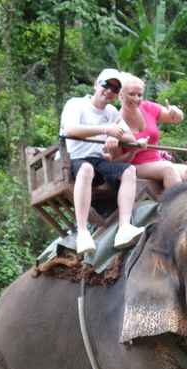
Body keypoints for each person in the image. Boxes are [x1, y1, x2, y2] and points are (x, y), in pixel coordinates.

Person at [59, 68, 145, 256]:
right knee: (87, 168)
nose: (109, 91)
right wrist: (106, 130)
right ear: (96, 84)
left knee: (129, 170)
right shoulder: (76, 104)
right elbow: (69, 130)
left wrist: (120, 138)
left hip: (99, 161)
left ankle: (124, 228)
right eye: (107, 85)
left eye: (115, 89)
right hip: (75, 159)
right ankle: (82, 232)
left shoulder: (111, 112)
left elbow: (128, 135)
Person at [116, 74, 187, 189]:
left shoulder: (147, 107)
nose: (136, 99)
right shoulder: (115, 120)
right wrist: (134, 150)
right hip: (135, 166)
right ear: (121, 95)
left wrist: (177, 112)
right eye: (131, 94)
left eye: (139, 95)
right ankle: (177, 206)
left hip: (158, 161)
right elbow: (116, 161)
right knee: (168, 169)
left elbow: (176, 119)